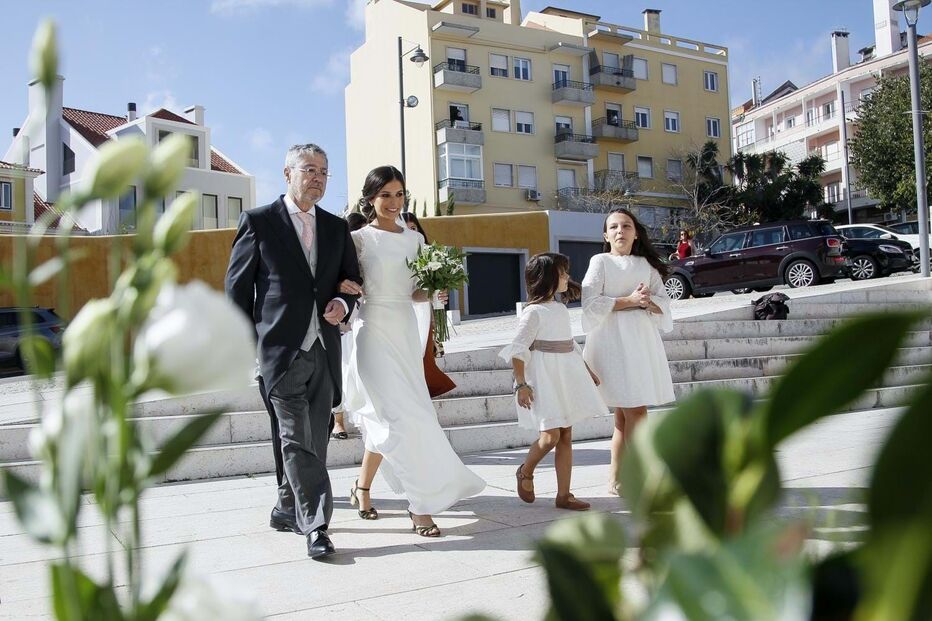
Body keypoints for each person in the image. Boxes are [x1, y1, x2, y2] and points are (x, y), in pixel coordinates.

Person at [225, 144, 362, 560]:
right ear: (288, 173)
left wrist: (342, 304)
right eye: (309, 169)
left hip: (324, 348)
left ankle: (286, 507)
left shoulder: (337, 228)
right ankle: (316, 526)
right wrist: (250, 349)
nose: (317, 178)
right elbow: (237, 292)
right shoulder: (258, 222)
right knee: (296, 439)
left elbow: (351, 281)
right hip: (279, 352)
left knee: (315, 439)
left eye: (324, 171)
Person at [341, 165, 485, 536]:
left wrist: (435, 291)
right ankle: (420, 505)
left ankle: (362, 488)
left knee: (407, 416)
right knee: (393, 418)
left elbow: (416, 292)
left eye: (399, 194)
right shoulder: (357, 239)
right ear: (370, 198)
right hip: (371, 331)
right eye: (385, 195)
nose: (393, 202)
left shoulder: (415, 240)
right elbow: (341, 282)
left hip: (405, 332)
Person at [501, 253, 606, 511]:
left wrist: (587, 370)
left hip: (564, 375)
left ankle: (564, 495)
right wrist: (521, 384)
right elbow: (518, 349)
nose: (567, 277)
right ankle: (525, 471)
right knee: (550, 436)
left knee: (566, 434)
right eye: (562, 273)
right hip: (543, 378)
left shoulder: (560, 309)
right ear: (547, 278)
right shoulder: (533, 313)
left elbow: (569, 344)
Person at [581, 208, 675, 496]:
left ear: (636, 233)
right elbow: (590, 302)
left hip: (641, 343)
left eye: (626, 226)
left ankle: (616, 478)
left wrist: (647, 302)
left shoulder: (646, 265)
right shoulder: (600, 261)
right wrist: (630, 300)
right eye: (614, 227)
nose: (620, 231)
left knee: (624, 418)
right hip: (611, 343)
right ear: (605, 235)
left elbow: (664, 301)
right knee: (636, 411)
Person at [400, 211, 456, 398]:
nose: (411, 232)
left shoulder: (429, 253)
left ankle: (420, 393)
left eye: (414, 227)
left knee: (423, 351)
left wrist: (438, 297)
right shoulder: (396, 255)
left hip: (423, 309)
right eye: (406, 228)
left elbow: (433, 287)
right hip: (404, 309)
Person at [330, 211, 369, 440]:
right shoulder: (339, 253)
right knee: (342, 372)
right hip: (343, 324)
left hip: (367, 317)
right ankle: (338, 421)